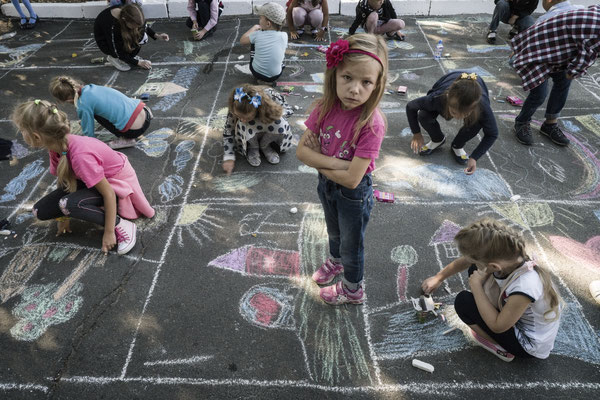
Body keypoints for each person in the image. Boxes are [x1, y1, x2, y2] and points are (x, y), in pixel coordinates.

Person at [296, 34, 388, 305]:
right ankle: (336, 261)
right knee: (333, 230)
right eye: (347, 77)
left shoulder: (371, 124)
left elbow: (352, 180)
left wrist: (319, 158)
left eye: (365, 82)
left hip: (354, 195)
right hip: (326, 185)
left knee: (352, 243)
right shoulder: (324, 107)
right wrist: (337, 163)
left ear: (376, 85)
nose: (354, 89)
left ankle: (352, 289)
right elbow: (301, 152)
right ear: (334, 75)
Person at [11, 100, 155, 255]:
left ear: (36, 136)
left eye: (22, 131)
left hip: (116, 184)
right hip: (91, 180)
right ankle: (91, 206)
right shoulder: (55, 146)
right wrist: (62, 217)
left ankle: (121, 224)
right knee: (40, 211)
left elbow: (109, 193)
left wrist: (109, 232)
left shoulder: (81, 156)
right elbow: (64, 180)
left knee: (68, 204)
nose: (21, 134)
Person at [422, 218, 563, 361]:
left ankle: (500, 348)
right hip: (515, 315)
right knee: (474, 269)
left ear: (495, 266)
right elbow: (469, 260)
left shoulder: (524, 288)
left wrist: (476, 287)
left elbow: (498, 326)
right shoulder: (511, 256)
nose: (471, 261)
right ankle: (493, 312)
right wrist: (439, 277)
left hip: (527, 345)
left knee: (463, 302)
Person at [512, 5, 600, 146]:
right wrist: (574, 71)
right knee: (539, 94)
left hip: (560, 49)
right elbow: (587, 54)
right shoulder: (597, 28)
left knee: (563, 83)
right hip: (540, 49)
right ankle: (522, 121)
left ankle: (549, 124)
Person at [407, 72, 498, 175]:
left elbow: (492, 133)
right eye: (454, 112)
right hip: (447, 84)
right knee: (424, 115)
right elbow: (410, 106)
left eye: (465, 114)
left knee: (477, 122)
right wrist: (416, 133)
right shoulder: (438, 97)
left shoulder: (482, 106)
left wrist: (474, 157)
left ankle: (457, 145)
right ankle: (438, 139)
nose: (458, 117)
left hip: (474, 96)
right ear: (447, 98)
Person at [49, 76, 153, 150]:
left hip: (134, 131)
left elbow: (89, 134)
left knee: (94, 114)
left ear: (67, 100)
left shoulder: (82, 104)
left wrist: (89, 145)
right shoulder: (91, 87)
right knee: (102, 107)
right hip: (145, 114)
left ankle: (126, 140)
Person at [222, 84, 293, 174]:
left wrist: (272, 113)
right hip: (250, 134)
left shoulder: (272, 97)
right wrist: (229, 157)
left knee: (279, 121)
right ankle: (253, 147)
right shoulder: (236, 104)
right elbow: (228, 131)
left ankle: (265, 145)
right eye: (238, 116)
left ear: (258, 109)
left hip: (266, 129)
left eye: (247, 117)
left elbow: (289, 110)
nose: (242, 119)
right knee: (243, 124)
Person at [94, 3, 169, 72]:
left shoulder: (131, 14)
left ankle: (128, 57)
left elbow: (144, 27)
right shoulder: (113, 27)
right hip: (106, 43)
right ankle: (114, 58)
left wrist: (157, 36)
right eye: (134, 26)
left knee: (141, 37)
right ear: (125, 20)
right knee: (122, 48)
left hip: (120, 33)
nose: (137, 28)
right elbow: (117, 50)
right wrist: (138, 63)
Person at [240, 3, 288, 84]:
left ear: (268, 24)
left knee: (253, 43)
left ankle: (261, 76)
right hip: (276, 75)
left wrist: (254, 28)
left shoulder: (257, 34)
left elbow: (242, 41)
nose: (259, 20)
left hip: (258, 74)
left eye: (260, 18)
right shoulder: (284, 35)